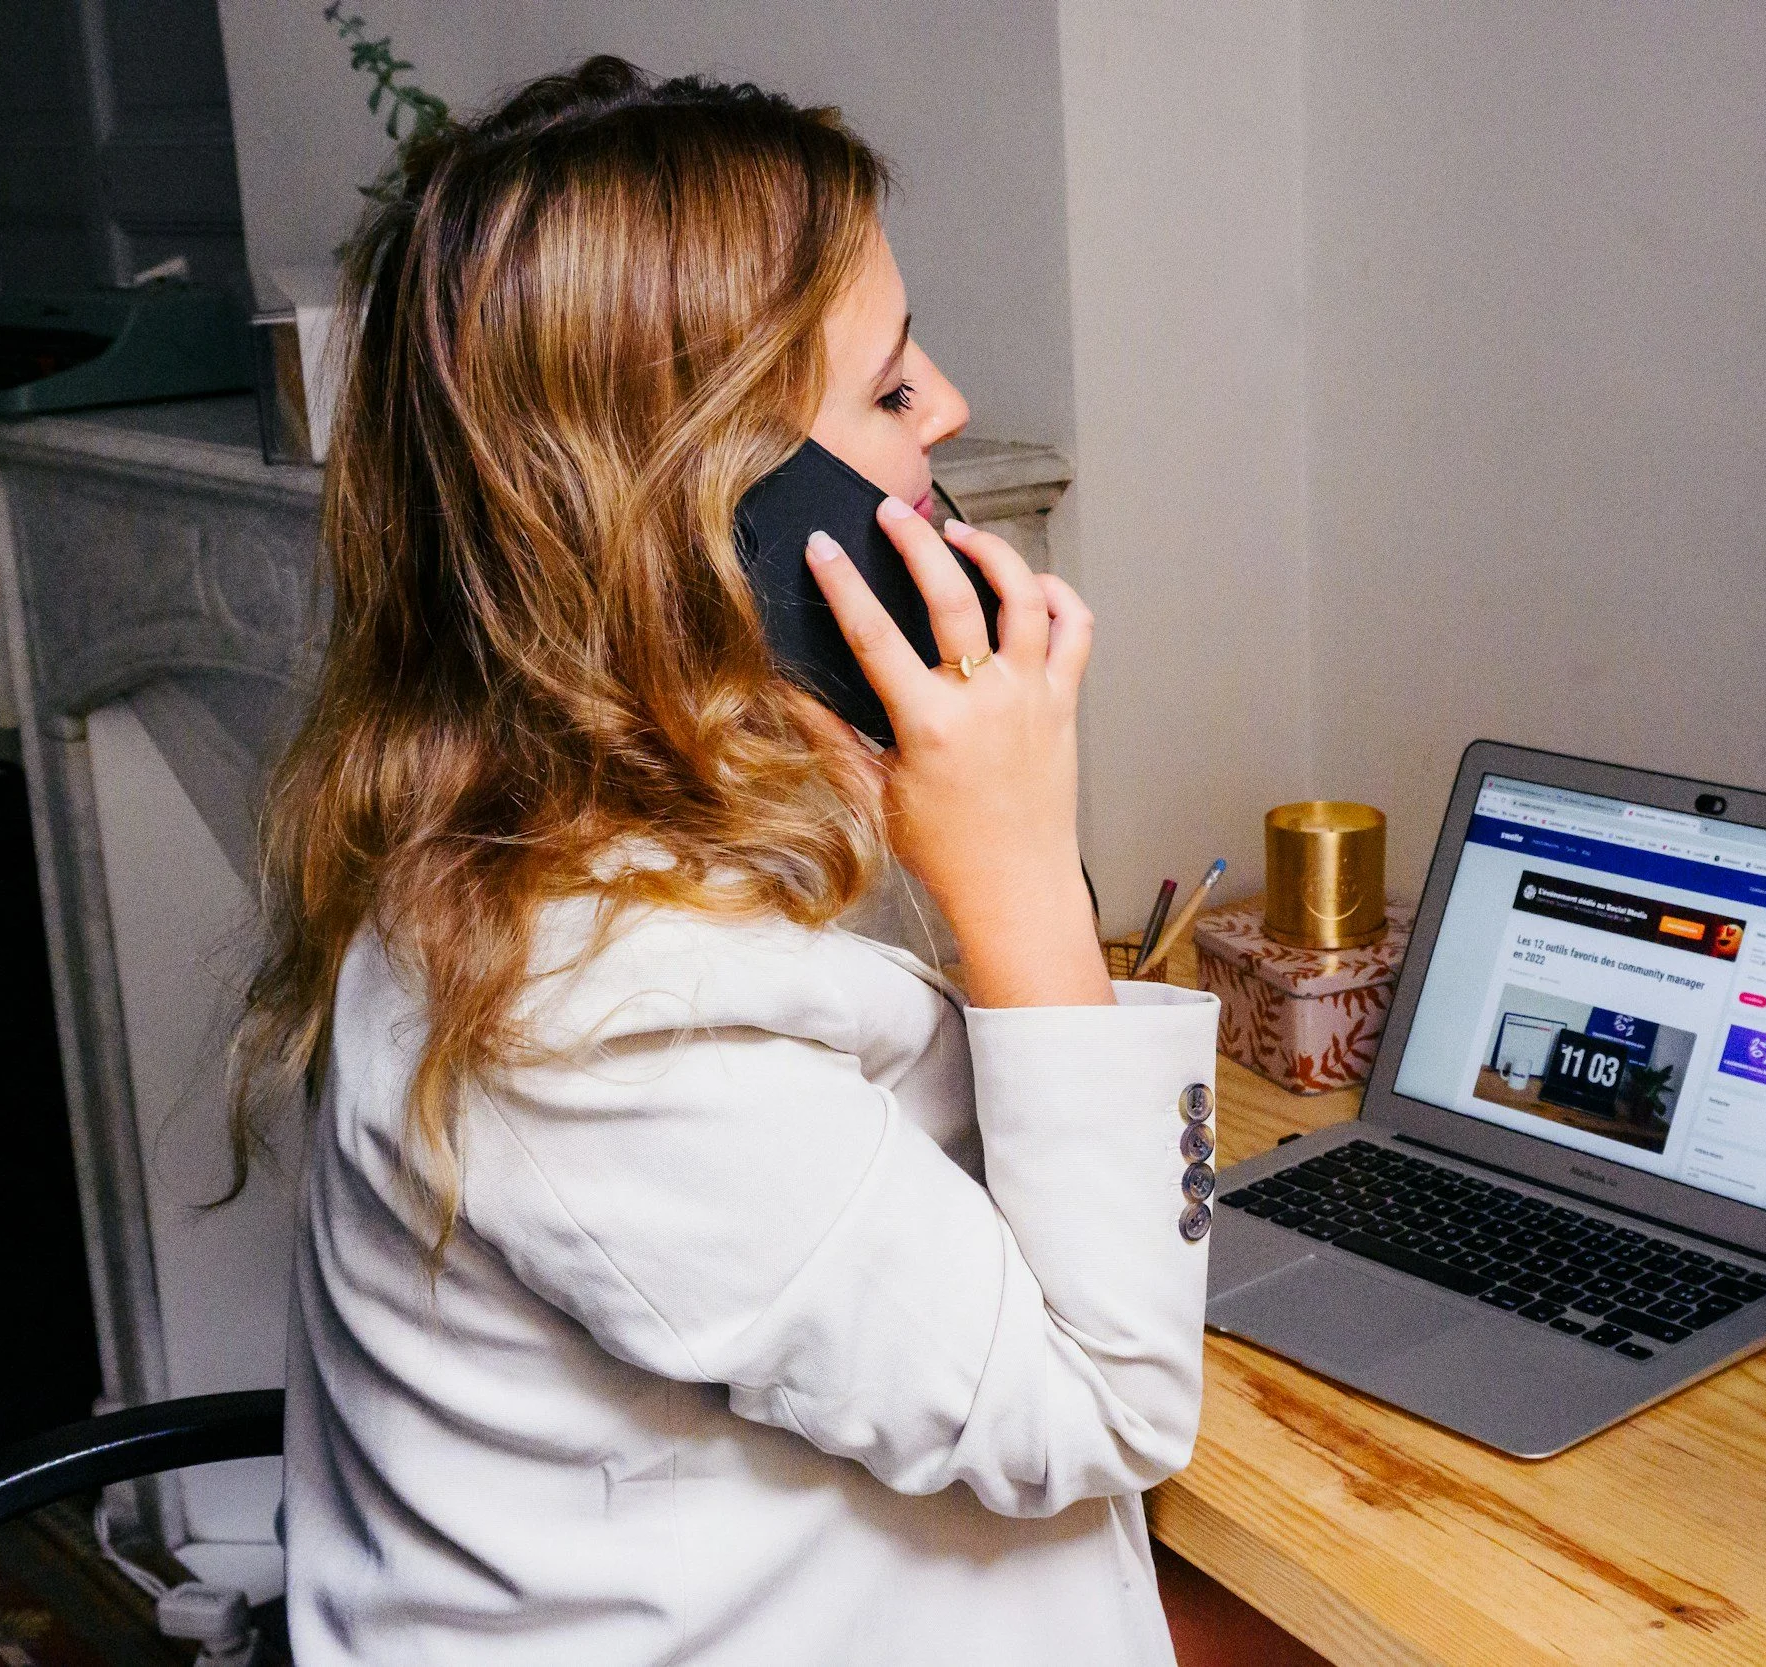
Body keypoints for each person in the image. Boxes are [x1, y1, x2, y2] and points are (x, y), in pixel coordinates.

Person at [232, 56, 1222, 1667]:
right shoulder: (590, 1018)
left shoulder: (518, 836)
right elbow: (1103, 1407)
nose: (953, 410)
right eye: (892, 392)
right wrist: (1023, 867)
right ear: (716, 529)